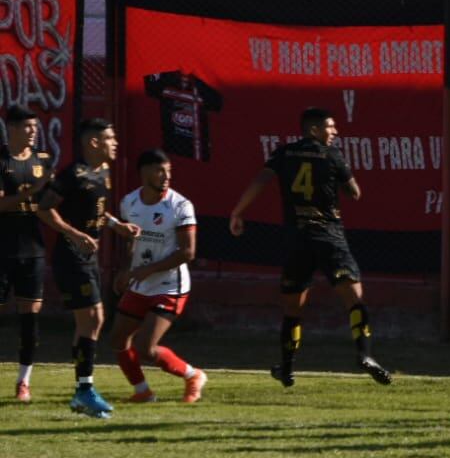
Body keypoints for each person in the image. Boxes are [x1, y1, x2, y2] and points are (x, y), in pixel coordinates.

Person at [228, 107, 391, 389]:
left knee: (293, 308)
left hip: (297, 239)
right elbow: (355, 193)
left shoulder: (284, 153)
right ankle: (365, 354)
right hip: (329, 236)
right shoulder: (332, 155)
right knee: (354, 298)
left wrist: (237, 212)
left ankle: (287, 368)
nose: (335, 132)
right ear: (315, 130)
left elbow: (261, 180)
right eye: (331, 127)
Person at [35, 118, 140, 418]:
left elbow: (93, 208)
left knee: (91, 321)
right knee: (94, 317)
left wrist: (117, 226)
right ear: (93, 142)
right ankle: (84, 391)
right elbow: (44, 208)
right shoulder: (73, 174)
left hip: (87, 256)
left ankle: (83, 391)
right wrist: (75, 234)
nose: (115, 143)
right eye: (110, 138)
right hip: (71, 255)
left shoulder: (102, 172)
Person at [109, 150, 206, 404]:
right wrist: (125, 269)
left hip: (170, 286)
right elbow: (131, 241)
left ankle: (193, 375)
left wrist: (145, 271)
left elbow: (188, 252)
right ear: (143, 172)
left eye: (169, 171)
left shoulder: (180, 206)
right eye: (159, 170)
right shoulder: (129, 202)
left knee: (145, 348)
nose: (166, 176)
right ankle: (143, 391)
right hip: (141, 283)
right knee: (118, 339)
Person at [0, 106, 52, 402]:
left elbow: (49, 207)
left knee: (29, 319)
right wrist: (33, 191)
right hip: (2, 250)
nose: (33, 131)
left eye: (35, 126)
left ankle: (23, 382)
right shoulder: (1, 161)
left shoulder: (42, 161)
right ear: (12, 129)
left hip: (32, 251)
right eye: (27, 127)